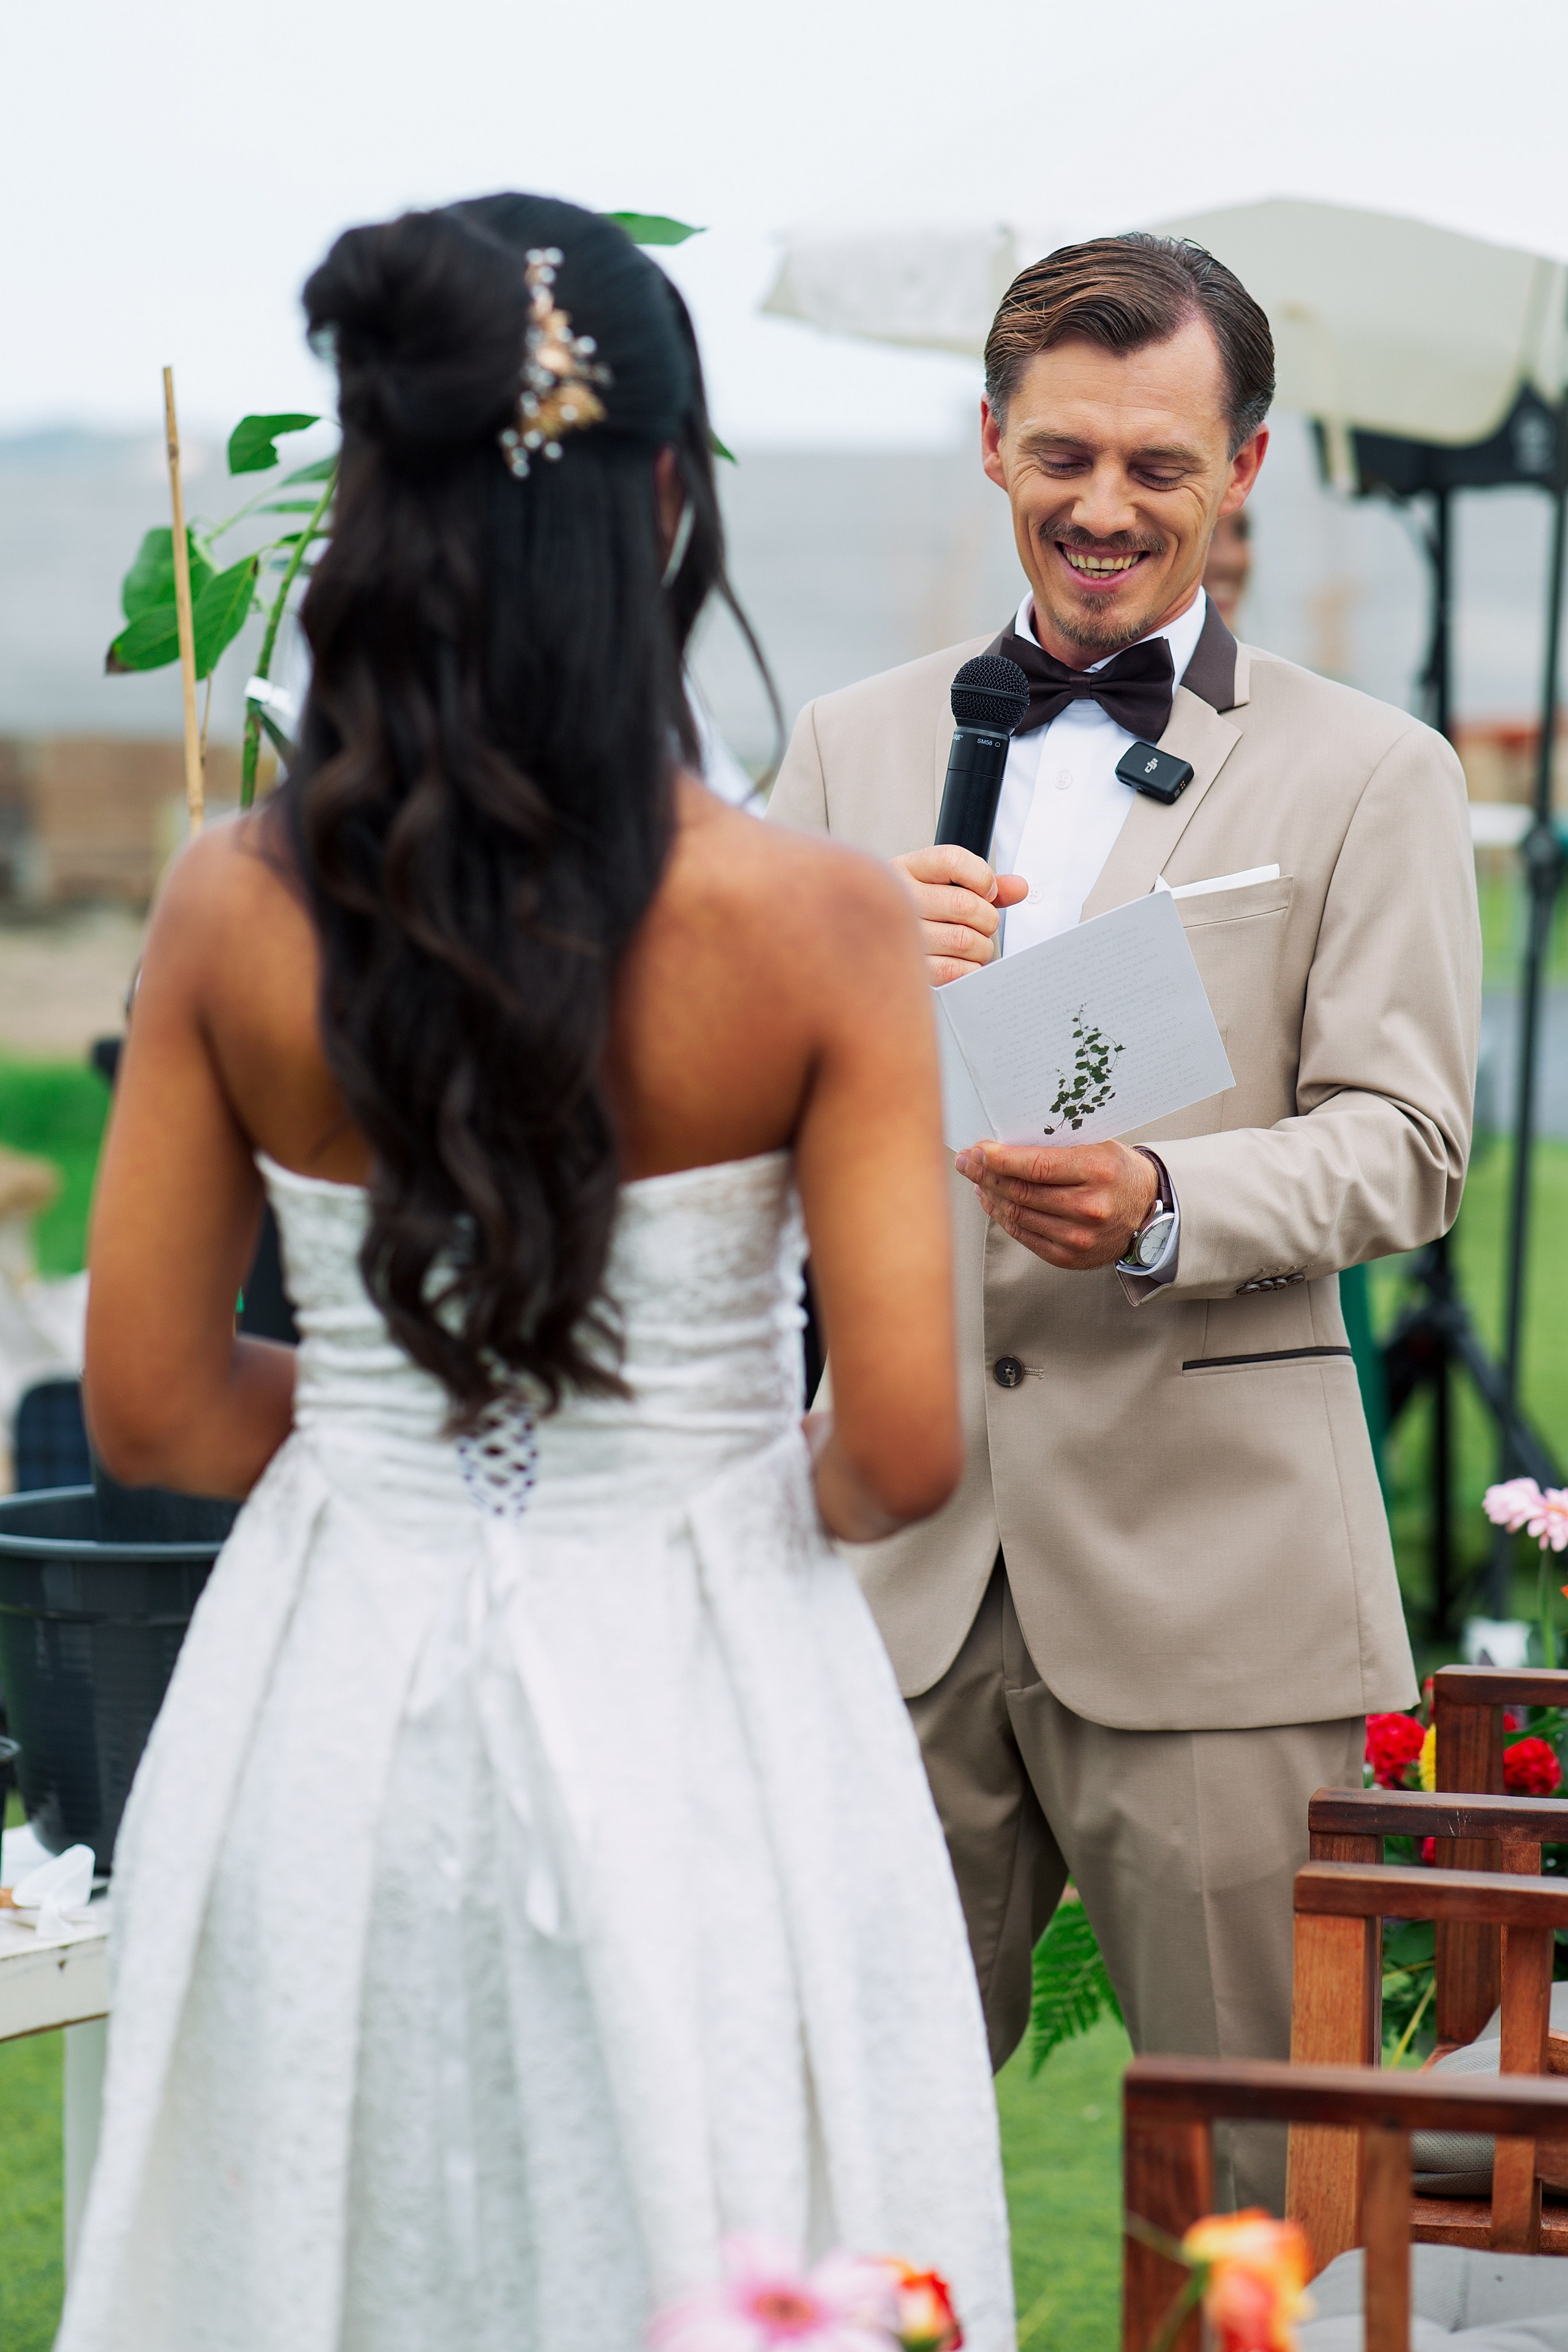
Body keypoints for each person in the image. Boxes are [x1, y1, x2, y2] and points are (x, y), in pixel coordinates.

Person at [59, 196, 1013, 2352]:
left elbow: (151, 1410)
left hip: (325, 1709)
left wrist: (409, 1430)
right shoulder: (824, 924)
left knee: (334, 2248)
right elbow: (905, 1443)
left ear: (373, 509)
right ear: (669, 498)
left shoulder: (236, 905)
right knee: (719, 2228)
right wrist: (682, 1468)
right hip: (712, 1716)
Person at [769, 234, 1480, 2207]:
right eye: (1064, 454)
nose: (1105, 506)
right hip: (889, 1581)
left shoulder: (1374, 772)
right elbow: (738, 1132)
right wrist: (828, 990)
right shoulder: (843, 748)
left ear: (1243, 465)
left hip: (1222, 1594)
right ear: (989, 443)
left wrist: (1171, 1200)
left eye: (1159, 466)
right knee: (830, 2176)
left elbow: (1408, 1139)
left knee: (1269, 2204)